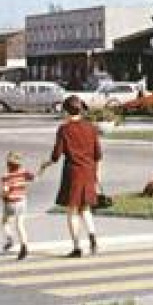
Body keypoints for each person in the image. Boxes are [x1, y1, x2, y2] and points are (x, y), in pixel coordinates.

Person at [40, 95, 103, 257]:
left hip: (73, 173)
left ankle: (77, 247)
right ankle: (93, 237)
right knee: (86, 208)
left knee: (72, 211)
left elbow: (56, 156)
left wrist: (44, 165)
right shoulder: (91, 128)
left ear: (67, 111)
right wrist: (97, 176)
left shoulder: (64, 129)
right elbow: (98, 155)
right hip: (89, 171)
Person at [0, 151, 34, 261]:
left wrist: (1, 195)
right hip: (22, 201)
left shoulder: (6, 176)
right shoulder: (24, 172)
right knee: (20, 224)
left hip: (10, 202)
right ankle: (24, 246)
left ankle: (9, 239)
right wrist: (43, 168)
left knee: (5, 221)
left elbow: (6, 190)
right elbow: (34, 177)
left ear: (8, 164)